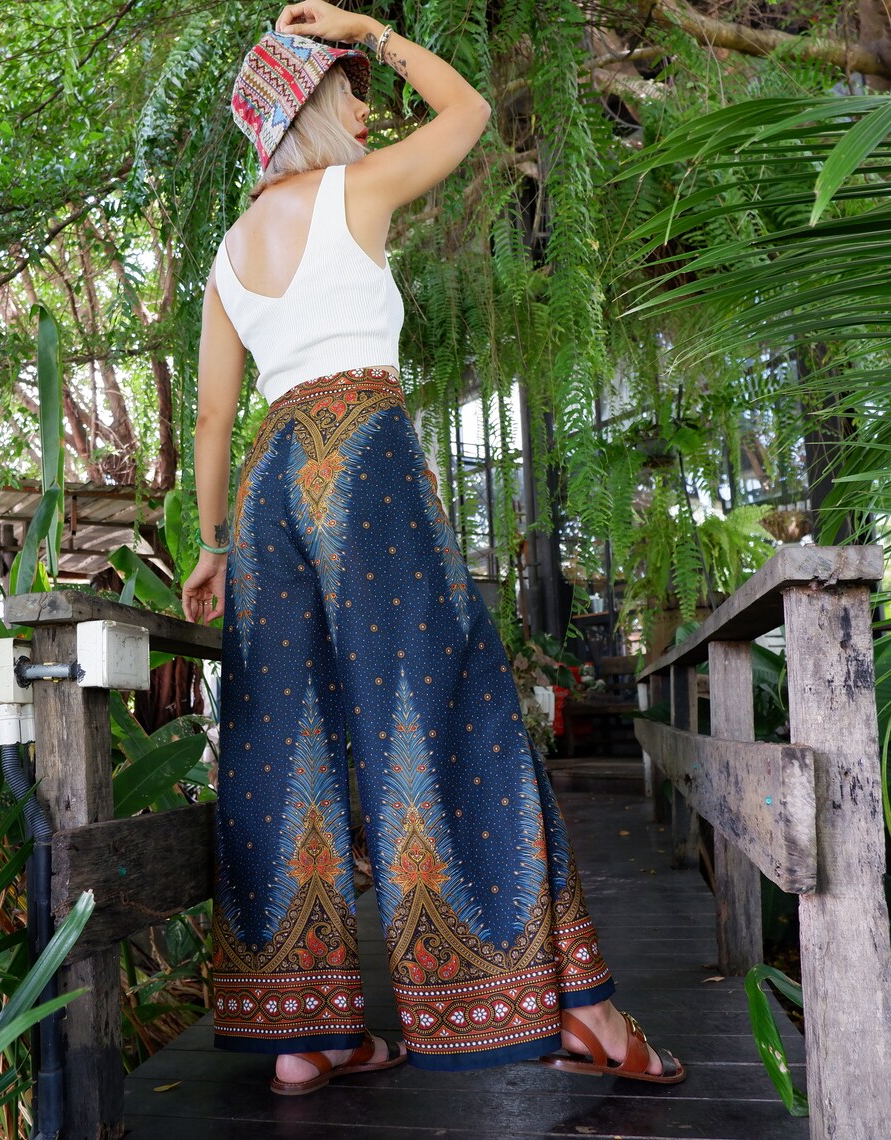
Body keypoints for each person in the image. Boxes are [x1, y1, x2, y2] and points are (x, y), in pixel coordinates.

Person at [181, 0, 684, 1096]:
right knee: (450, 703)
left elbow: (212, 422)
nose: (370, 103)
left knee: (282, 737)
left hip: (270, 485)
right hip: (361, 455)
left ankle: (302, 1037)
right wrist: (372, 24)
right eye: (356, 87)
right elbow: (466, 111)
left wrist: (212, 542)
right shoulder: (354, 193)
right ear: (316, 104)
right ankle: (580, 1007)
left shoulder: (228, 254)